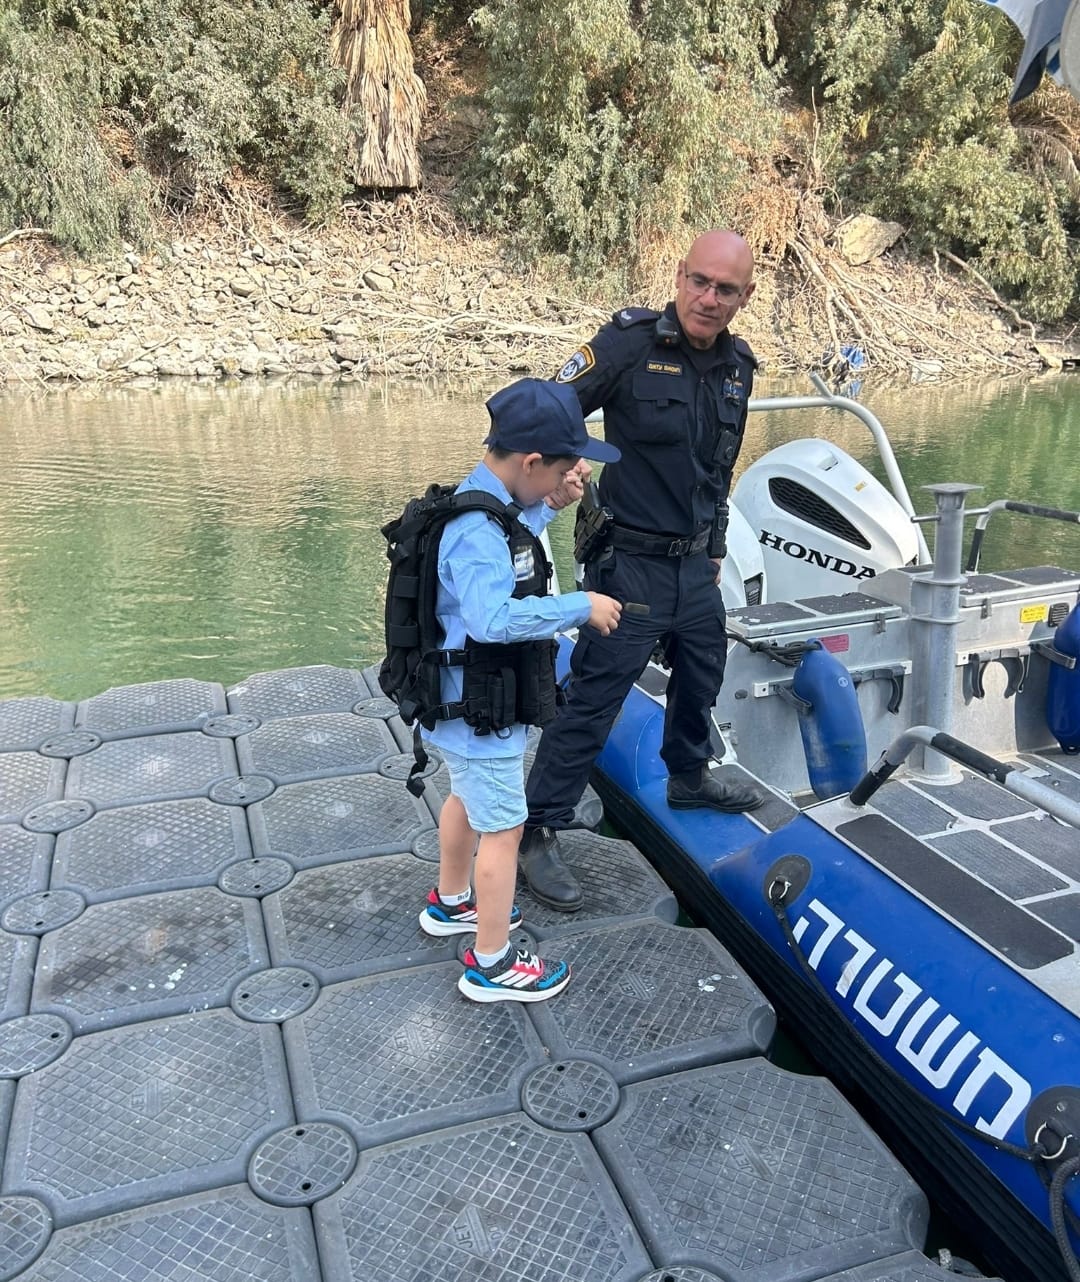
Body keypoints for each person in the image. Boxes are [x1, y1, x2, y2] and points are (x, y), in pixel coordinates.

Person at [519, 229, 765, 912]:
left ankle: (688, 776)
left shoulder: (738, 367)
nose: (708, 298)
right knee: (596, 697)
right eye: (699, 281)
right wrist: (562, 465)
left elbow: (718, 467)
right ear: (680, 277)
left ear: (744, 297)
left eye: (725, 289)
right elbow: (549, 404)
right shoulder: (628, 345)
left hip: (693, 565)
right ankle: (537, 828)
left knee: (703, 670)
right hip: (628, 565)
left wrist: (715, 544)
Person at [416, 377, 623, 1001]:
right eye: (559, 469)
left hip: (460, 706)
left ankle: (452, 899)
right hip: (482, 710)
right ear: (531, 462)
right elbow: (492, 619)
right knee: (505, 829)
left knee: (465, 798)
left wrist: (550, 504)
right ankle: (492, 963)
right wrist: (580, 605)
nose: (569, 475)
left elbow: (512, 537)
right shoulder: (476, 531)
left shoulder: (479, 504)